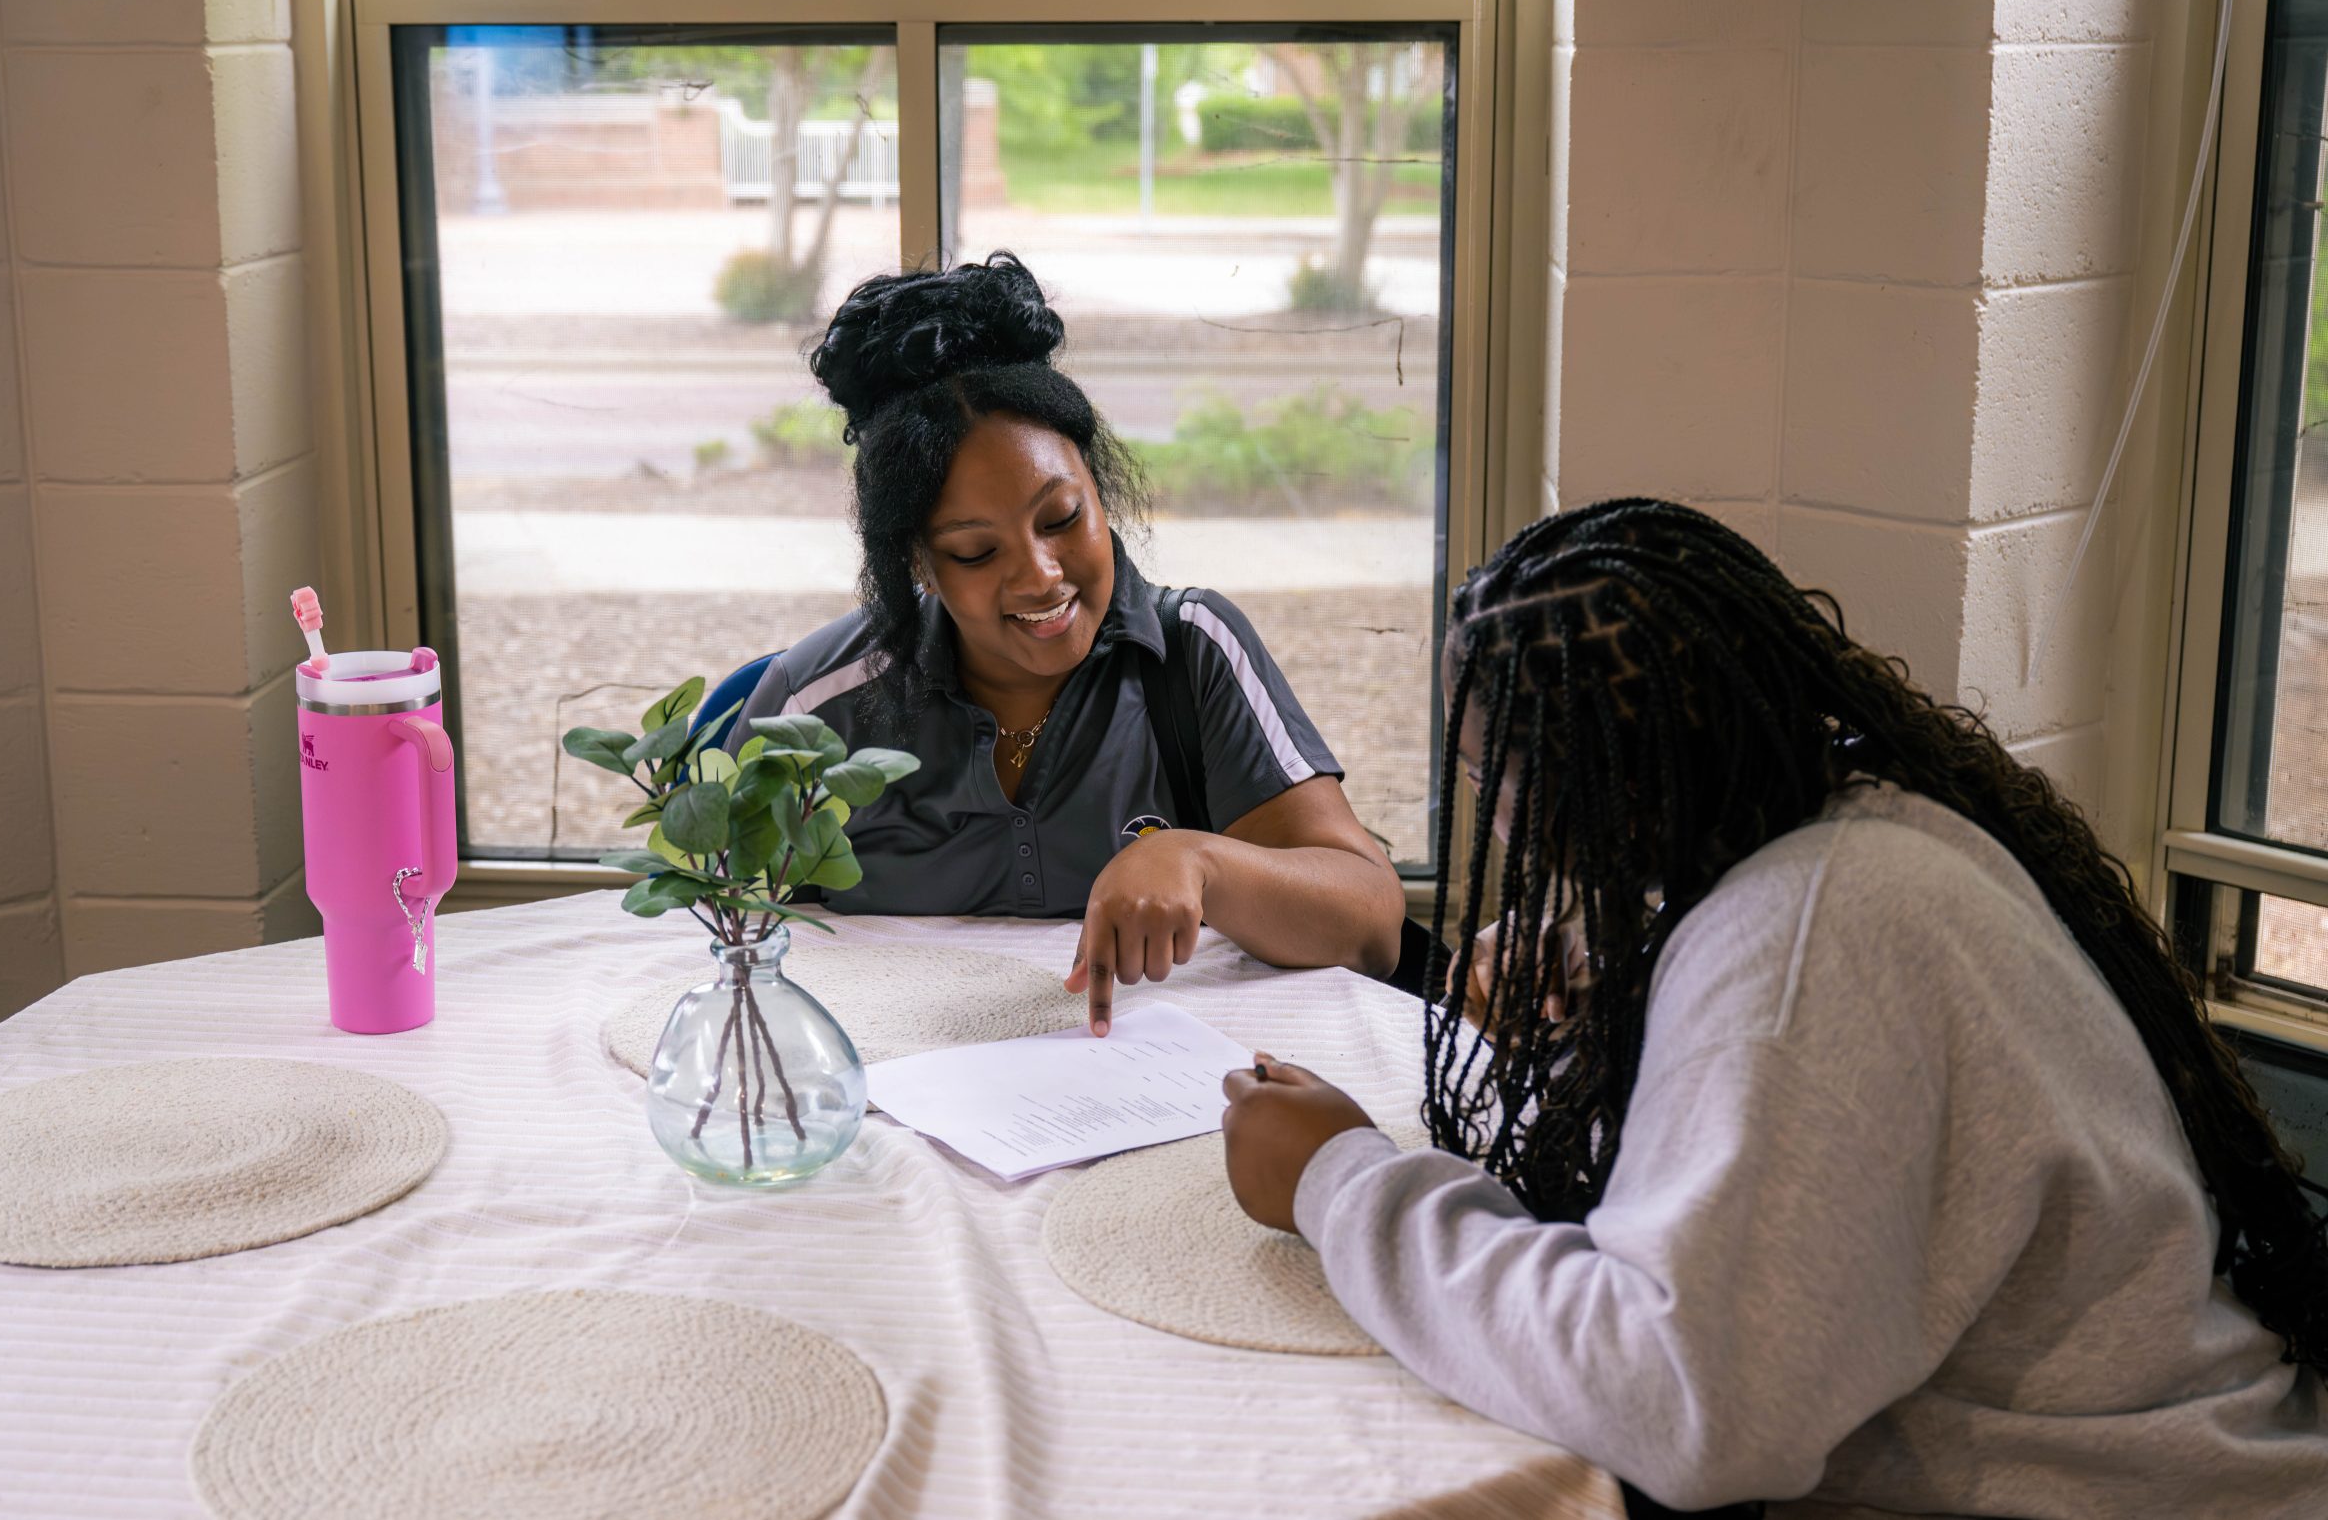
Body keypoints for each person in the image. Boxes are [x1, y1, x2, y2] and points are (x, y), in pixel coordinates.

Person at [1219, 498, 2328, 1518]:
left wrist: (1340, 1179)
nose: (1481, 812)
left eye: (1481, 775)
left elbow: (1684, 1407)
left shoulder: (1808, 948)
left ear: (1578, 791)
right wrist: (1625, 969)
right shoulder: (1860, 823)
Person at [729, 252, 1404, 1025]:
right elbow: (724, 947)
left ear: (1099, 487)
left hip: (1164, 1098)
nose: (1042, 576)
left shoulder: (1189, 655)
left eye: (1062, 519)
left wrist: (1201, 859)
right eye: (977, 552)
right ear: (916, 560)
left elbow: (1374, 922)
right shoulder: (818, 708)